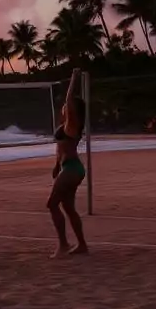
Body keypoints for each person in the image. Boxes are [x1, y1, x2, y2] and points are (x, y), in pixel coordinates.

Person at [47, 69, 89, 257]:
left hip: (72, 168)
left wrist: (74, 77)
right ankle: (82, 245)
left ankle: (63, 244)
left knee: (52, 204)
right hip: (67, 167)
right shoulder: (66, 126)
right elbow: (60, 148)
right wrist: (56, 166)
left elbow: (69, 99)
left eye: (68, 108)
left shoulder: (73, 125)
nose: (64, 108)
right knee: (68, 208)